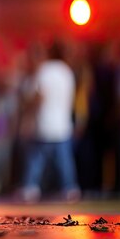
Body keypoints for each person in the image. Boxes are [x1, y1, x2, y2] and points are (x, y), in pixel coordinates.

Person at [20, 41, 81, 202]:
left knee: (37, 158)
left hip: (44, 123)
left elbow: (39, 97)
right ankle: (70, 188)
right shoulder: (66, 71)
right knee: (64, 160)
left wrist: (27, 110)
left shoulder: (44, 71)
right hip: (62, 124)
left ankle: (30, 188)